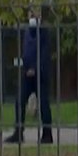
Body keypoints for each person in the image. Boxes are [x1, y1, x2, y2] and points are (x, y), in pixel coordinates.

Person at [4, 8, 54, 144]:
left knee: (43, 104)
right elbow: (26, 51)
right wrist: (25, 67)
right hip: (27, 74)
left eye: (35, 12)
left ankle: (47, 134)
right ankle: (18, 132)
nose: (32, 15)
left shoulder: (44, 32)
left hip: (41, 74)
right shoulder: (27, 31)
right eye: (30, 13)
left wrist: (35, 68)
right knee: (19, 101)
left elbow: (44, 53)